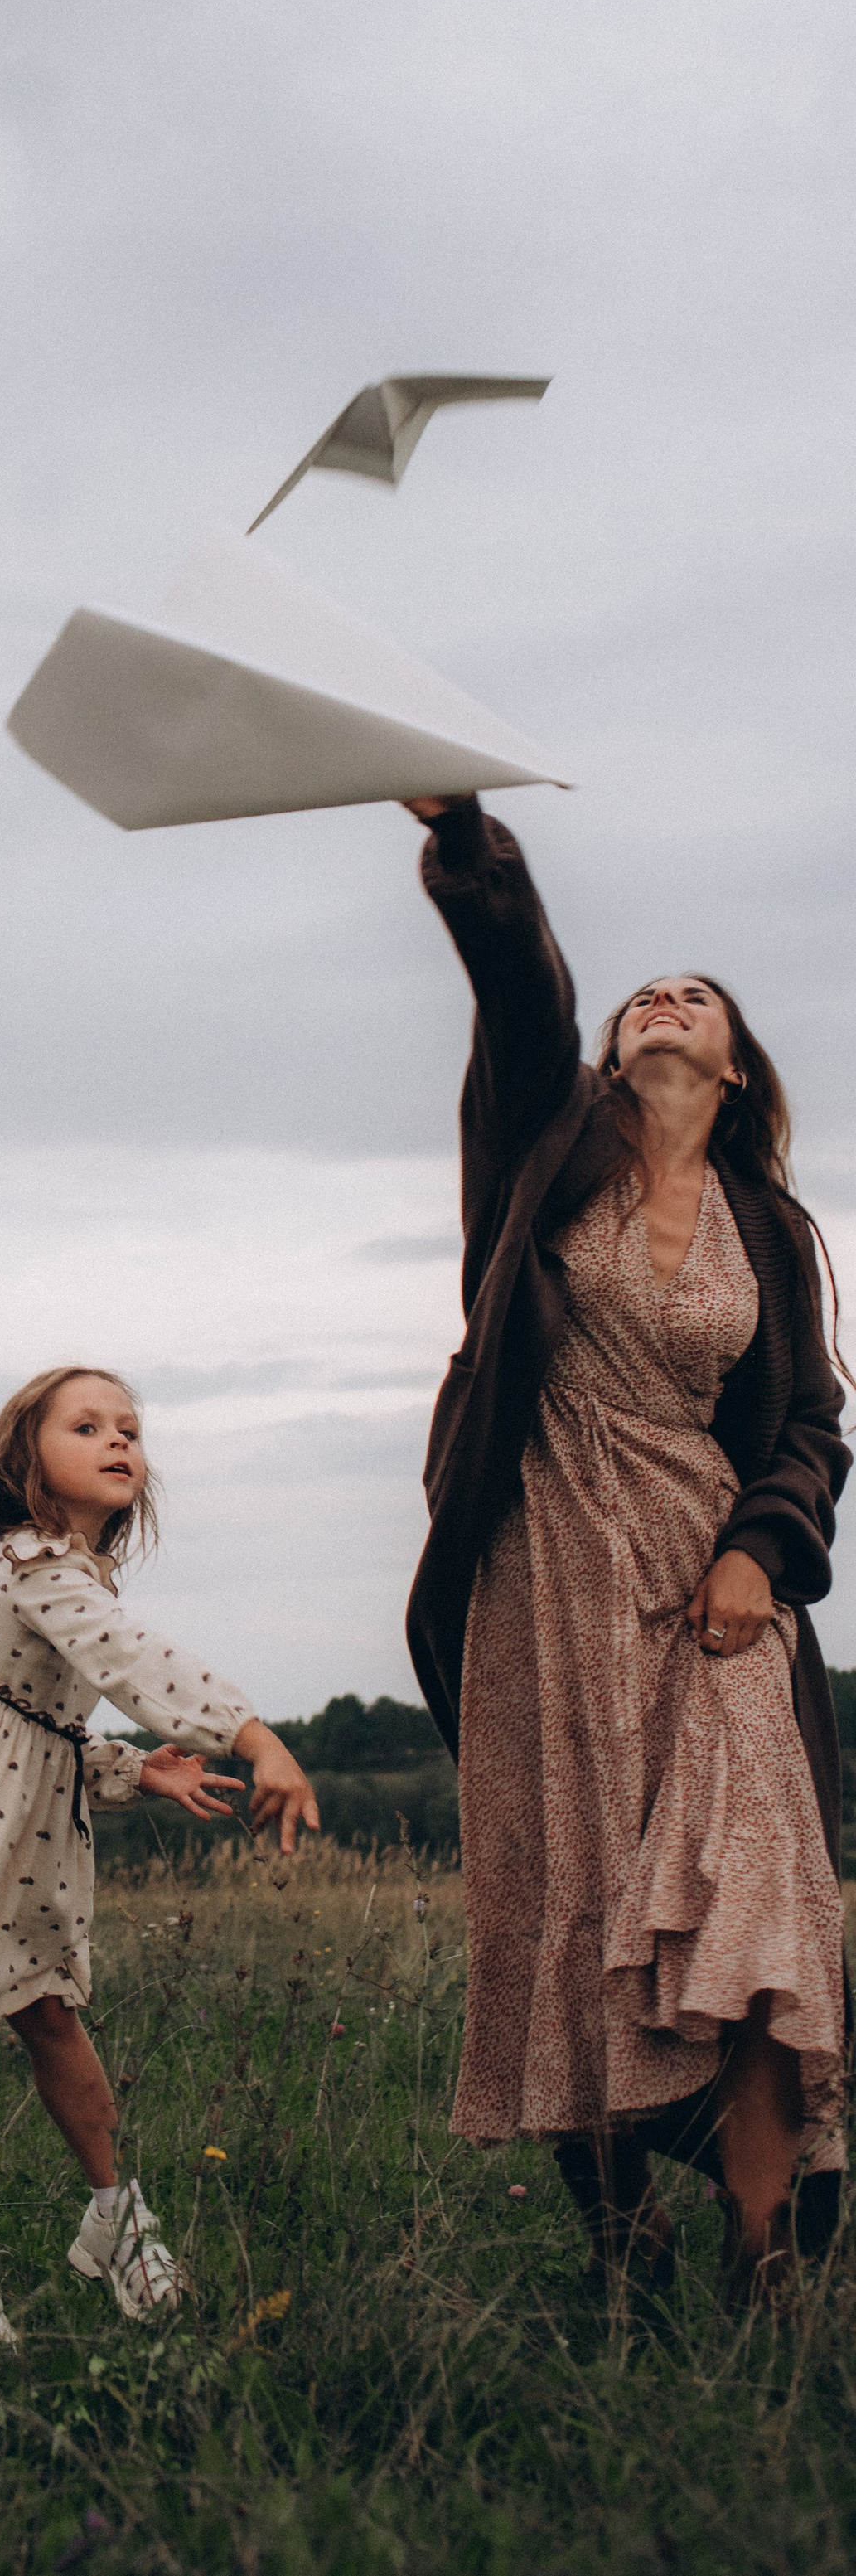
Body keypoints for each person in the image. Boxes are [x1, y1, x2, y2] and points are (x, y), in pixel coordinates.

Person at [403, 796, 848, 2302]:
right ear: (608, 1050)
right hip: (544, 1566)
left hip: (712, 1581)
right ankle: (615, 2237)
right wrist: (470, 836)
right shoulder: (546, 1149)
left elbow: (813, 1428)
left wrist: (763, 1553)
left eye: (699, 997)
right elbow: (518, 987)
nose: (664, 998)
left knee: (765, 1884)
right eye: (642, 994)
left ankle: (766, 2247)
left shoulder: (775, 1231)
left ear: (734, 1066)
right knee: (571, 1898)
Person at [0, 1366, 317, 2351]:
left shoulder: (69, 1575)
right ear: (27, 1458)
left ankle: (113, 2222)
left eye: (128, 1427)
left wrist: (136, 1773)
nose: (118, 1440)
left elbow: (33, 1733)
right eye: (85, 1426)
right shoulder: (36, 1559)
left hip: (21, 1838)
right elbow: (131, 1661)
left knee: (52, 2016)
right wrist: (252, 1737)